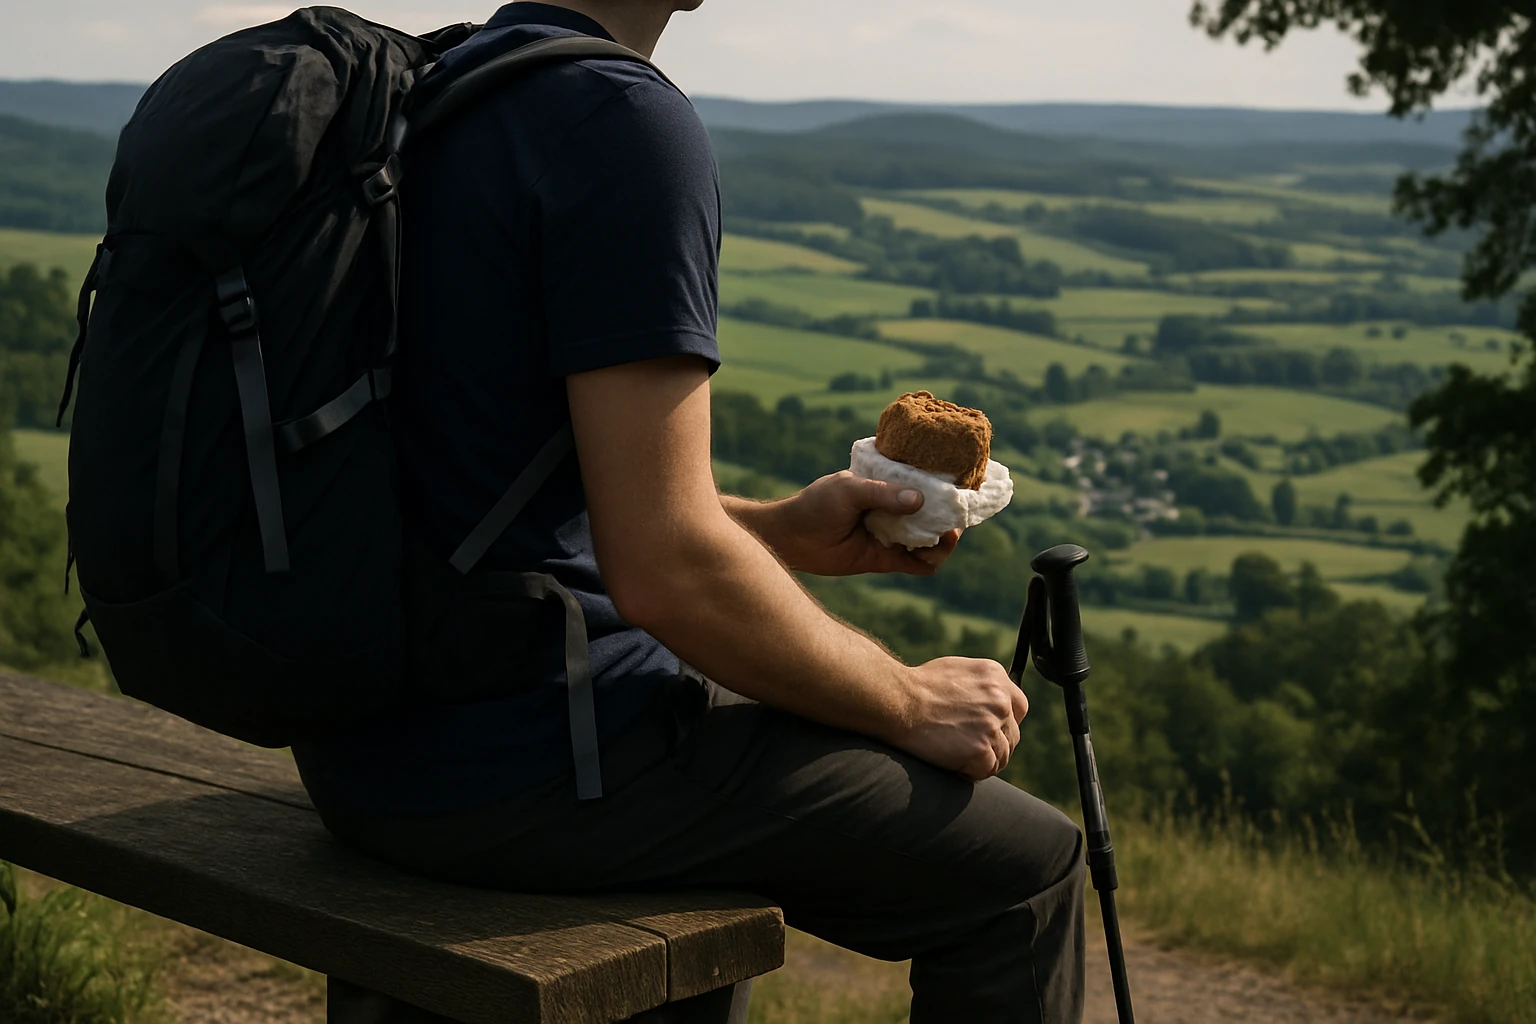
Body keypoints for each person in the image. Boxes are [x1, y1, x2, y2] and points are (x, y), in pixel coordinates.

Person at [289, 2, 1086, 1020]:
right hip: (527, 762)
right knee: (1026, 869)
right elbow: (665, 569)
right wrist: (912, 700)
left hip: (366, 746)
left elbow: (491, 491)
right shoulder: (620, 119)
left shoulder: (446, 87)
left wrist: (775, 533)